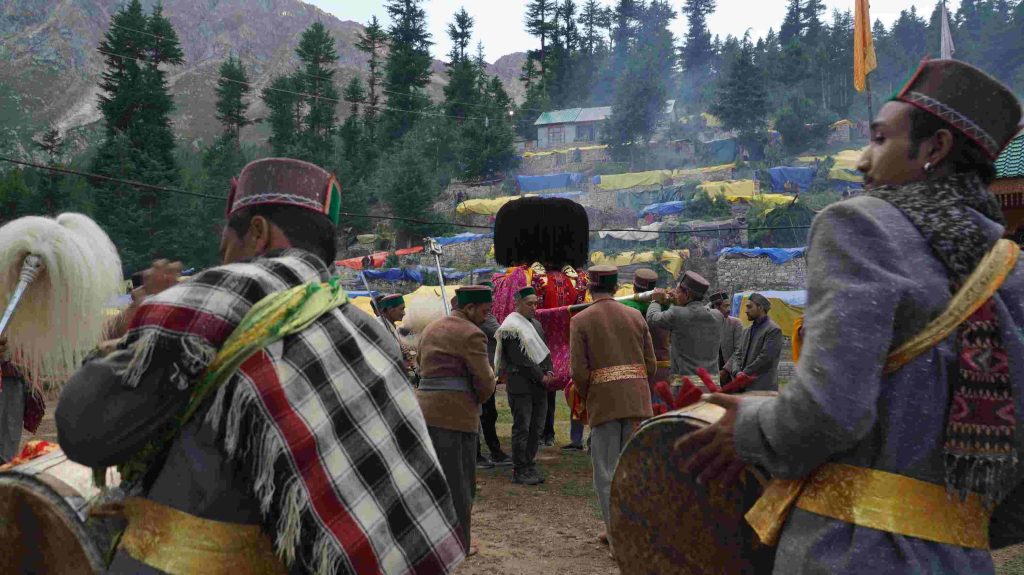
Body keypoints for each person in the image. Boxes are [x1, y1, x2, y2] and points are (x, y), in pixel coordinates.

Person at [677, 60, 1024, 574]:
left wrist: (749, 426)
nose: (863, 160)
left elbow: (831, 409)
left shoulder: (861, 226)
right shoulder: (1008, 267)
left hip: (851, 553)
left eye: (880, 139)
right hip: (960, 557)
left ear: (935, 149)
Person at [56, 158, 466, 574]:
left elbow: (84, 431)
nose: (223, 262)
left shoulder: (204, 306)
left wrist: (137, 324)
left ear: (257, 232)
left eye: (225, 247)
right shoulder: (369, 334)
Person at [571, 265, 656, 553]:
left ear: (590, 289)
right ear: (617, 285)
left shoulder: (580, 320)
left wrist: (590, 395)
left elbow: (579, 373)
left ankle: (618, 537)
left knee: (606, 473)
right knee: (631, 469)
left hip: (604, 403)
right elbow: (652, 365)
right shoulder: (635, 315)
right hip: (638, 403)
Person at [417, 285, 497, 555]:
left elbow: (419, 365)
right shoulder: (472, 334)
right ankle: (459, 544)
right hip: (455, 416)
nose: (487, 317)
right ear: (469, 308)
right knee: (461, 484)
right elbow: (484, 382)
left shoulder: (430, 328)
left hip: (424, 412)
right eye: (484, 311)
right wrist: (488, 388)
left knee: (432, 479)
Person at [496, 286, 554, 485]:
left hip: (539, 384)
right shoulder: (510, 327)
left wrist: (550, 371)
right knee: (523, 427)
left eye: (536, 303)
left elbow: (545, 351)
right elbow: (520, 359)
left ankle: (529, 463)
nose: (533, 307)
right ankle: (520, 468)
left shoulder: (536, 324)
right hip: (521, 384)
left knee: (537, 427)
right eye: (529, 303)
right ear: (517, 303)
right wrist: (541, 376)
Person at [646, 271, 720, 385]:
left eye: (679, 292)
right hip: (712, 385)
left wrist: (656, 300)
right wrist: (678, 303)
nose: (676, 294)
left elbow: (652, 318)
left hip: (686, 387)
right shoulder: (717, 315)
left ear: (688, 294)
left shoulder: (677, 313)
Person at [476, 280, 511, 469]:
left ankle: (490, 452)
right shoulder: (486, 318)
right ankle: (491, 453)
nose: (494, 299)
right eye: (491, 296)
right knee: (486, 414)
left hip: (486, 371)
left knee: (487, 414)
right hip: (483, 371)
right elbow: (501, 333)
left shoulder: (483, 316)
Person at [721, 293, 783, 392]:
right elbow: (738, 354)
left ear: (760, 308)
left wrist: (744, 373)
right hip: (743, 386)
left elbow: (765, 358)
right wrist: (737, 372)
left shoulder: (773, 330)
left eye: (749, 307)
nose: (746, 311)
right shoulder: (747, 331)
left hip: (762, 388)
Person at [623, 268, 671, 383]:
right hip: (662, 371)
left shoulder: (626, 311)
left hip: (635, 372)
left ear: (634, 288)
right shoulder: (667, 309)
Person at [377, 293, 419, 384]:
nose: (404, 313)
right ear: (390, 310)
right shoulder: (380, 328)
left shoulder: (391, 326)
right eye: (401, 309)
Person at [709, 290, 743, 370]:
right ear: (716, 307)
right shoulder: (705, 324)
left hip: (729, 373)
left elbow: (739, 350)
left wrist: (726, 370)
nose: (729, 309)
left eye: (729, 306)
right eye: (725, 306)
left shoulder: (736, 323)